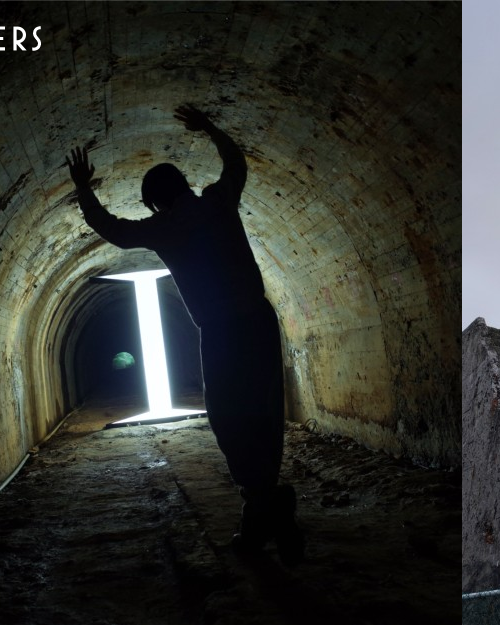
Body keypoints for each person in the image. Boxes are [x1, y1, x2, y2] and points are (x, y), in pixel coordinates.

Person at [65, 105, 303, 566]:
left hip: (220, 332)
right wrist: (212, 128)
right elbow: (237, 164)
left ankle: (262, 506)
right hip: (258, 320)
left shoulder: (163, 227)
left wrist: (83, 190)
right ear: (185, 185)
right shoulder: (217, 200)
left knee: (228, 416)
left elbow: (111, 229)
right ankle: (267, 504)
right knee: (265, 411)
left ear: (156, 202)